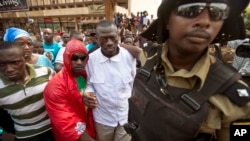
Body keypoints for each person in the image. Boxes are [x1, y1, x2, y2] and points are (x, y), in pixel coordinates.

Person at [123, 0, 250, 141]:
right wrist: (120, 45)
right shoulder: (149, 57)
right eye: (191, 10)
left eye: (217, 12)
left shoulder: (235, 96)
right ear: (167, 21)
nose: (204, 22)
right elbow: (137, 52)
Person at [83, 20, 137, 141]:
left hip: (125, 117)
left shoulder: (129, 57)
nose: (108, 43)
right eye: (103, 39)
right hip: (102, 119)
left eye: (112, 37)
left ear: (118, 36)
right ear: (96, 38)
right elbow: (89, 84)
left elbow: (133, 85)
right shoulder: (90, 60)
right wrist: (87, 93)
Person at [0, 41, 55, 141]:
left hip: (54, 128)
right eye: (2, 64)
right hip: (26, 135)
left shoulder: (46, 72)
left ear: (25, 59)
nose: (9, 69)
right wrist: (8, 132)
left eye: (15, 62)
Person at [43, 39, 96, 141]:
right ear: (67, 58)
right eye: (74, 58)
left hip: (89, 129)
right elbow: (66, 121)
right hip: (72, 136)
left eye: (83, 58)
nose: (79, 62)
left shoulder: (87, 75)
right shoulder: (56, 86)